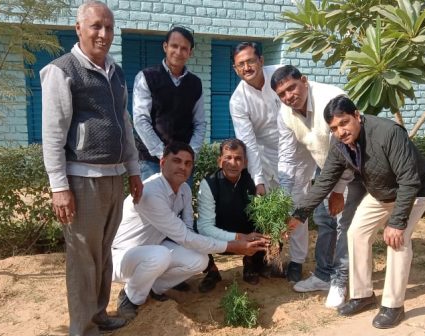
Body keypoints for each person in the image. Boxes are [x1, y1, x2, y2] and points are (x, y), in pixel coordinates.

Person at [41, 1, 142, 336]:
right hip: (81, 181)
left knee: (102, 253)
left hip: (113, 178)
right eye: (96, 26)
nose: (103, 34)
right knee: (82, 258)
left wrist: (133, 169)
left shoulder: (115, 72)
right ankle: (83, 335)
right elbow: (53, 135)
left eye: (109, 28)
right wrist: (59, 187)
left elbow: (125, 124)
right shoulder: (61, 71)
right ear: (79, 29)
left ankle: (98, 315)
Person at [288, 95, 425, 328]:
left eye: (344, 122)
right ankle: (363, 295)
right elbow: (325, 181)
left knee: (397, 240)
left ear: (357, 116)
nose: (340, 131)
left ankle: (393, 306)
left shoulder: (388, 133)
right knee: (356, 233)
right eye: (334, 128)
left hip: (413, 191)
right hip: (382, 192)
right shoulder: (340, 145)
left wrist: (397, 222)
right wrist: (299, 215)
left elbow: (409, 180)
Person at [111, 142, 267, 320]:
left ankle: (154, 288)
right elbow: (185, 236)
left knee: (199, 260)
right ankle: (130, 297)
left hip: (152, 249)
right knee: (160, 255)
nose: (182, 167)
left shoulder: (184, 190)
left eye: (188, 163)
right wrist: (233, 244)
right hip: (121, 255)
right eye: (176, 161)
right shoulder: (152, 192)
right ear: (162, 163)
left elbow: (187, 230)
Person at [271, 65, 366, 308]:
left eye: (292, 87)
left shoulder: (330, 99)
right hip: (326, 169)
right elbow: (288, 156)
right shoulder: (286, 114)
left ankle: (340, 280)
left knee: (345, 225)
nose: (289, 96)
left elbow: (350, 146)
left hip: (356, 168)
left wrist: (337, 191)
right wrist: (283, 198)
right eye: (282, 93)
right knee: (324, 220)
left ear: (304, 80)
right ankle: (324, 275)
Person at [228, 42, 309, 285]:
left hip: (299, 148)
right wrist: (259, 180)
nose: (246, 67)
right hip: (265, 157)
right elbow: (248, 143)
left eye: (250, 61)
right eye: (240, 64)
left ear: (261, 61)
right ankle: (270, 258)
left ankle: (297, 260)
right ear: (235, 69)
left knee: (298, 207)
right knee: (269, 213)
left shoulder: (281, 75)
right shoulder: (238, 101)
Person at [132, 25, 205, 181]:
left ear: (190, 53)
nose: (178, 52)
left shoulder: (195, 84)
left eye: (184, 48)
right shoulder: (146, 77)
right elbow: (140, 120)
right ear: (165, 46)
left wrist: (190, 154)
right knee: (152, 205)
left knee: (180, 205)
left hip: (184, 164)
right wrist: (163, 154)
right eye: (174, 46)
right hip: (151, 161)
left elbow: (199, 123)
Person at [197, 138, 268, 285]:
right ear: (219, 161)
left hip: (249, 235)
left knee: (269, 232)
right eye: (228, 158)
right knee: (193, 230)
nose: (233, 163)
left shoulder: (253, 181)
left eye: (238, 158)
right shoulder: (209, 184)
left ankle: (250, 264)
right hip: (220, 238)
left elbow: (264, 215)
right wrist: (239, 237)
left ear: (245, 162)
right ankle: (212, 271)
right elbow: (205, 228)